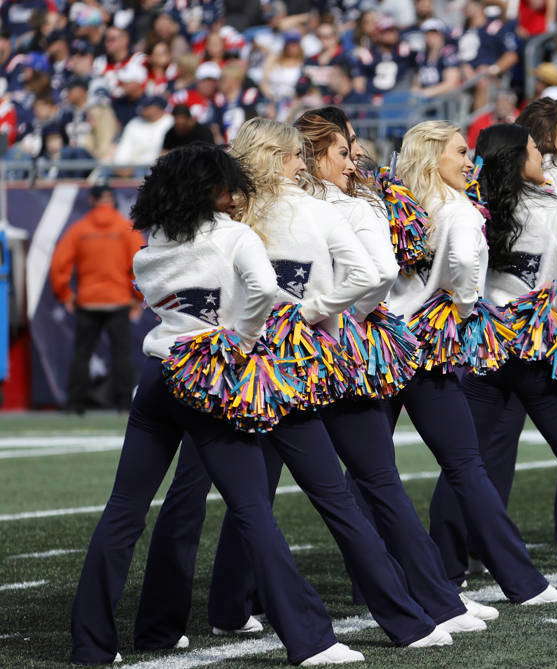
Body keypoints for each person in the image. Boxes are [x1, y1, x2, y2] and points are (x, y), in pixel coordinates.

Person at [131, 118, 453, 652]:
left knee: (197, 496)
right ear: (277, 157)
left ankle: (169, 623)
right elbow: (373, 276)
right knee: (330, 496)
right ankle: (404, 621)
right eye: (295, 156)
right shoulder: (307, 210)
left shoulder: (215, 215)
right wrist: (311, 311)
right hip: (288, 365)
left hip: (216, 368)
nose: (302, 164)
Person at [70, 143, 363, 666]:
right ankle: (311, 641)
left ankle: (91, 645)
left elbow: (168, 305)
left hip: (159, 376)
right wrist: (241, 338)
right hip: (213, 381)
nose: (237, 194)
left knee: (123, 512)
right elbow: (264, 288)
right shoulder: (235, 237)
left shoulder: (149, 248)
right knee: (253, 511)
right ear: (208, 189)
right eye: (227, 185)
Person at [293, 106, 496, 632]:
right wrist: (334, 319)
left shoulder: (322, 203)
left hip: (295, 354)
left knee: (261, 492)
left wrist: (308, 319)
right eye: (345, 147)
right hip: (331, 352)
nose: (357, 154)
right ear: (313, 155)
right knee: (372, 483)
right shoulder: (344, 205)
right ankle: (432, 603)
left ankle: (231, 603)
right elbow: (377, 274)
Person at [388, 120, 557, 606]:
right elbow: (467, 271)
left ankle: (381, 585)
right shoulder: (461, 211)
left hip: (383, 348)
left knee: (371, 474)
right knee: (467, 465)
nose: (471, 162)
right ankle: (522, 584)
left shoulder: (398, 206)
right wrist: (462, 309)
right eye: (461, 152)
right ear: (432, 158)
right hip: (427, 350)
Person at [49, 184, 143, 413]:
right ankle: (125, 404)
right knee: (122, 355)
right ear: (111, 200)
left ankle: (75, 404)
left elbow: (59, 264)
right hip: (118, 301)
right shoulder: (125, 228)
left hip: (88, 301)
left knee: (82, 354)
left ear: (92, 201)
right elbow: (140, 263)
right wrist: (137, 298)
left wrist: (66, 295)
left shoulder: (79, 229)